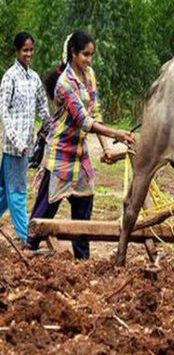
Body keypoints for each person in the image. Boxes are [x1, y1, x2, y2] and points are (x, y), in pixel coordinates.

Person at [27, 31, 135, 259]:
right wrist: (117, 133)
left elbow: (95, 111)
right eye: (85, 55)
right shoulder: (64, 84)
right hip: (59, 155)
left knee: (84, 209)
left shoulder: (90, 76)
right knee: (45, 211)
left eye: (91, 55)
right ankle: (29, 250)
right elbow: (84, 121)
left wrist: (106, 147)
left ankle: (82, 260)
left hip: (80, 155)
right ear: (73, 54)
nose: (89, 60)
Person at [0, 32, 51, 244]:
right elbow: (4, 113)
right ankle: (25, 237)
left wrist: (51, 126)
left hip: (28, 146)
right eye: (25, 50)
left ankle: (24, 236)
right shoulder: (9, 77)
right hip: (14, 148)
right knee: (17, 193)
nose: (28, 54)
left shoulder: (34, 78)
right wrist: (18, 143)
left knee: (4, 191)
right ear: (17, 51)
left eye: (31, 50)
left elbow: (42, 107)